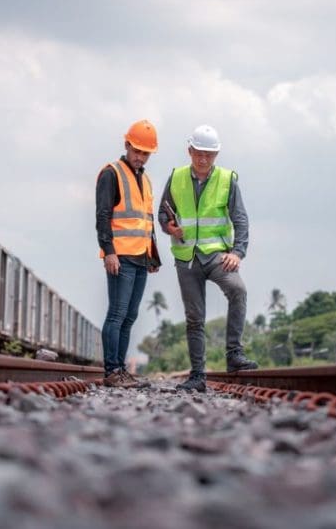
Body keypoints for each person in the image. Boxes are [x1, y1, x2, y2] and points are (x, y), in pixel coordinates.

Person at [158, 124, 258, 393]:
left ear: (216, 155)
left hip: (216, 255)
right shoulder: (176, 177)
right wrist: (170, 227)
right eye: (199, 153)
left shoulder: (227, 180)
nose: (203, 159)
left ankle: (234, 354)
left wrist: (237, 253)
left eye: (209, 155)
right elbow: (163, 215)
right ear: (190, 151)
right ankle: (198, 375)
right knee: (195, 318)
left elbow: (240, 218)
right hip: (187, 257)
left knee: (238, 290)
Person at [96, 119, 161, 388]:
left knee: (130, 316)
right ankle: (112, 370)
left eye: (145, 153)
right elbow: (102, 216)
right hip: (120, 258)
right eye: (137, 151)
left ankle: (120, 369)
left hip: (140, 258)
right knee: (117, 314)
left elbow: (146, 221)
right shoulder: (111, 173)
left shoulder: (145, 180)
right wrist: (108, 251)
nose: (140, 157)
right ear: (126, 145)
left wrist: (153, 256)